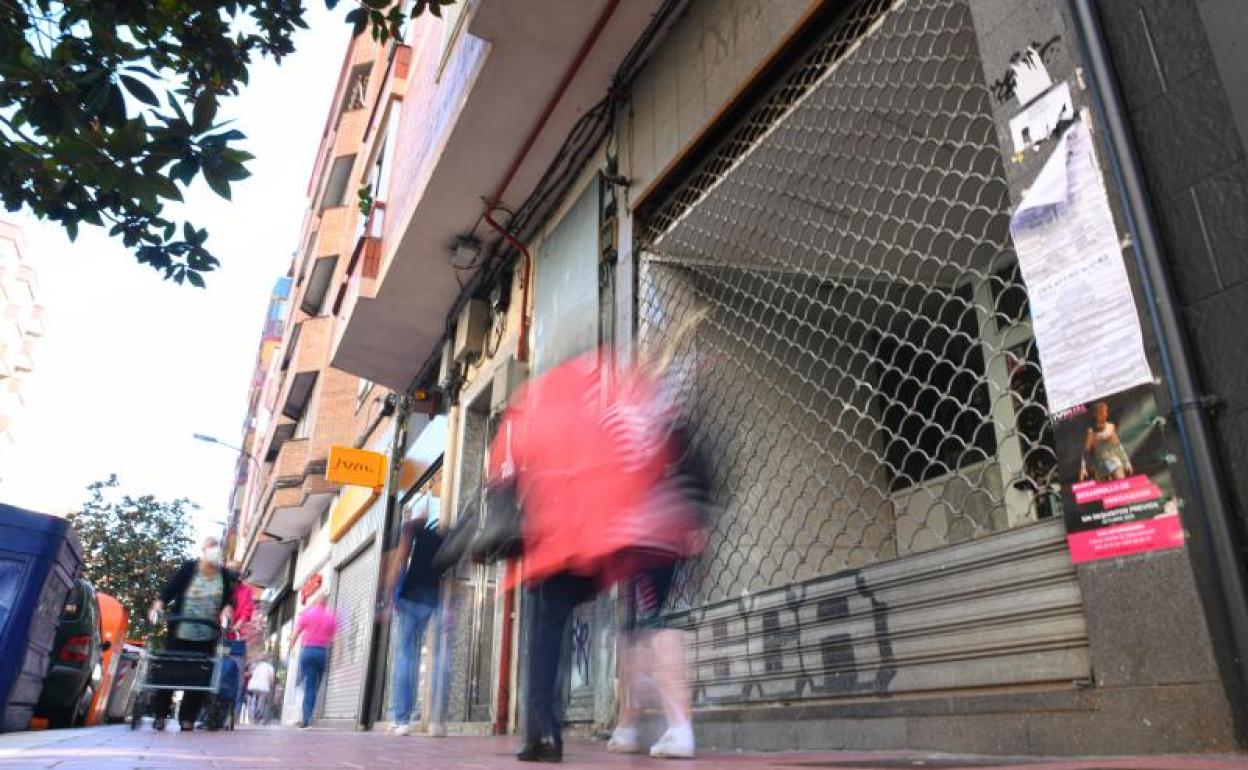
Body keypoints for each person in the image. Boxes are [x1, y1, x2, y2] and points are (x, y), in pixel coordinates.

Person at [147, 536, 237, 732]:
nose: (214, 552)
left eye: (216, 548)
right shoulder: (189, 568)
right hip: (180, 630)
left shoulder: (224, 576)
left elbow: (230, 600)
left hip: (207, 633)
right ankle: (160, 715)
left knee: (199, 676)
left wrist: (227, 610)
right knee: (170, 673)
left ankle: (187, 718)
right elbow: (169, 589)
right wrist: (159, 605)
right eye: (210, 548)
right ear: (203, 550)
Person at [383, 511, 444, 736]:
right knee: (433, 657)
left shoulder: (411, 530)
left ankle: (401, 719)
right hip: (431, 600)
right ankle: (436, 720)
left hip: (409, 598)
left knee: (406, 656)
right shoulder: (439, 537)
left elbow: (400, 560)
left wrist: (389, 594)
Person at [290, 592, 338, 728]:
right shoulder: (330, 618)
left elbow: (296, 633)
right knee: (314, 685)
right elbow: (337, 639)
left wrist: (291, 649)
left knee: (308, 684)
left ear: (316, 601)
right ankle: (307, 716)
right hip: (321, 652)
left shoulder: (308, 615)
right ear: (326, 602)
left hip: (307, 651)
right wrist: (337, 658)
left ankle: (306, 717)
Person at [1080, 401, 1133, 482]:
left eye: (1105, 411)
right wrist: (1083, 468)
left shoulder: (1111, 427)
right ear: (1095, 414)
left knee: (1121, 483)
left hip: (1114, 461)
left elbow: (1118, 446)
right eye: (1101, 412)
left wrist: (1126, 462)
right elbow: (1086, 452)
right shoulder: (1091, 432)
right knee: (1105, 490)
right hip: (1100, 466)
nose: (1104, 414)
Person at [247, 657, 277, 725]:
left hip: (252, 685)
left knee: (253, 700)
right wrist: (270, 687)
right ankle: (258, 716)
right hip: (264, 686)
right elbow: (271, 679)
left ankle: (252, 716)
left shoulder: (255, 665)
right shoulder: (270, 667)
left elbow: (250, 674)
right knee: (261, 702)